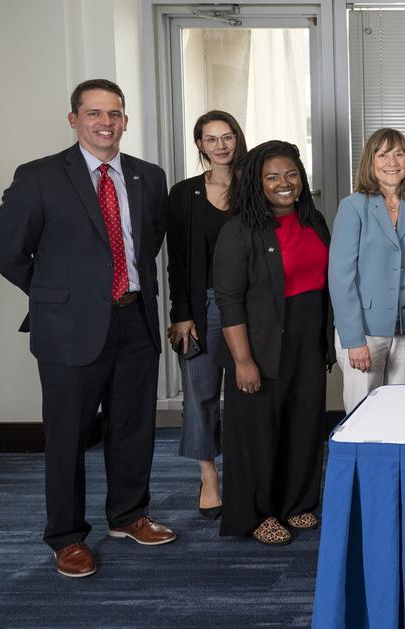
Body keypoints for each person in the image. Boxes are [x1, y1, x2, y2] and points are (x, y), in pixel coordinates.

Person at [0, 79, 174, 577]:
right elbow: (6, 254)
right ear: (74, 119)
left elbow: (148, 244)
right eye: (94, 113)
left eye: (114, 113)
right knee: (68, 435)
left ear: (125, 121)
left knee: (133, 427)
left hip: (135, 319)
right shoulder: (39, 177)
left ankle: (128, 514)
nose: (105, 123)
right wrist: (58, 296)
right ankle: (67, 536)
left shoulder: (148, 177)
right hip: (68, 329)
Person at [213, 140, 332, 545]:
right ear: (257, 183)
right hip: (260, 345)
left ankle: (296, 504)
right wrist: (242, 359)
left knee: (303, 426)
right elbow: (228, 301)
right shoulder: (239, 230)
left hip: (307, 341)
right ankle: (256, 513)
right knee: (258, 435)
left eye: (291, 174)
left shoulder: (313, 220)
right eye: (273, 177)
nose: (285, 183)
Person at [165, 110, 247, 520]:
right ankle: (209, 477)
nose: (220, 145)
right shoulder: (183, 194)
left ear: (237, 139)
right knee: (200, 394)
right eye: (211, 138)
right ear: (199, 144)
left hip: (248, 306)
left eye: (227, 136)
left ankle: (245, 472)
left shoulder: (253, 187)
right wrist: (181, 313)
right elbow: (176, 261)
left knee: (247, 393)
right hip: (201, 305)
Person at [330, 128, 405, 412]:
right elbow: (341, 278)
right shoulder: (352, 208)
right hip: (364, 331)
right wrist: (353, 340)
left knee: (399, 413)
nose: (392, 162)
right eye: (383, 154)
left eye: (399, 154)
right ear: (371, 161)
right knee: (361, 412)